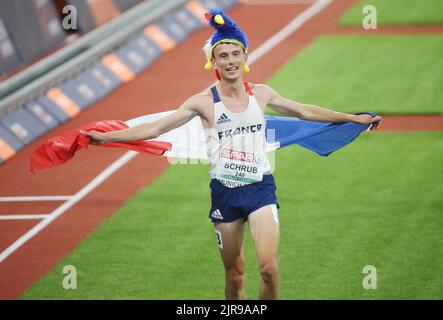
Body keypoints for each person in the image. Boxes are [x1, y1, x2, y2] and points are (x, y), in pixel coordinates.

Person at [81, 9, 381, 300]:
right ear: (213, 61)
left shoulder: (261, 93)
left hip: (261, 190)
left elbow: (304, 111)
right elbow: (155, 128)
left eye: (235, 54)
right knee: (235, 278)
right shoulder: (202, 103)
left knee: (268, 267)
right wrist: (107, 137)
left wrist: (351, 117)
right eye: (223, 55)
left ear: (245, 57)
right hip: (225, 195)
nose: (231, 60)